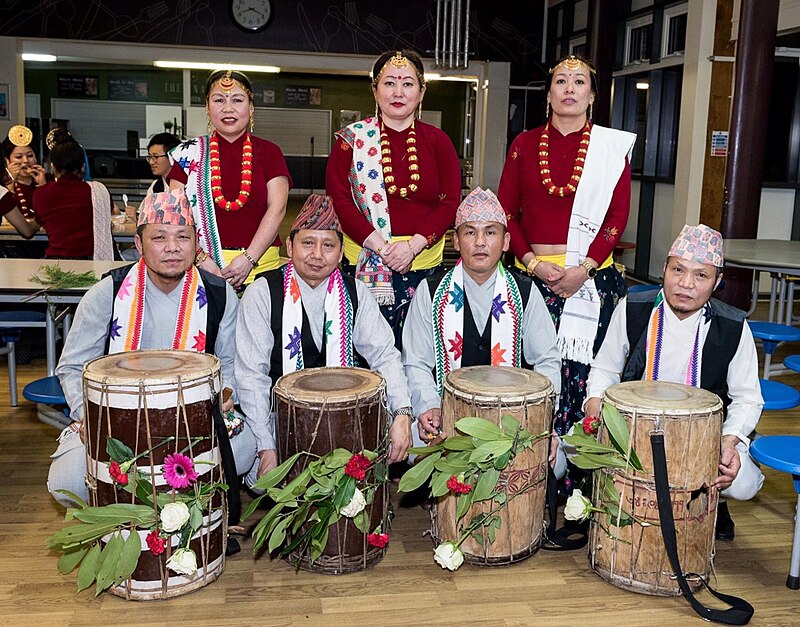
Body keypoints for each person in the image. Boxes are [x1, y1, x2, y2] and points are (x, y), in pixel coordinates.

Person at [47, 189, 257, 507]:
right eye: (159, 237)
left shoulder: (219, 294)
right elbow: (74, 366)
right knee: (68, 480)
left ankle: (179, 517)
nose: (172, 248)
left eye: (183, 237)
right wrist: (88, 414)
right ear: (138, 244)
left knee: (244, 452)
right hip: (115, 418)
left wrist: (225, 394)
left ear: (197, 243)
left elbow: (229, 362)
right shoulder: (108, 293)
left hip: (192, 416)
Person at [584, 224, 764, 541]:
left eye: (701, 275)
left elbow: (747, 399)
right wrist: (596, 406)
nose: (685, 284)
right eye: (678, 270)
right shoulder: (633, 308)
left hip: (701, 435)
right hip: (636, 428)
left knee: (746, 481)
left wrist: (729, 440)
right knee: (574, 449)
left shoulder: (733, 326)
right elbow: (605, 368)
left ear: (717, 282)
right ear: (665, 268)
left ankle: (714, 503)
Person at [498, 54, 636, 442]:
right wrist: (531, 262)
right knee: (533, 374)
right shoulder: (524, 144)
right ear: (549, 94)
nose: (569, 89)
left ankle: (579, 476)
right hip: (532, 279)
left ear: (592, 96)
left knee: (588, 375)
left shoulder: (610, 149)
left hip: (592, 279)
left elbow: (616, 217)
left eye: (579, 82)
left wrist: (586, 268)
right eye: (561, 81)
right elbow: (506, 211)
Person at [235, 194, 414, 479]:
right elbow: (251, 375)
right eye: (308, 243)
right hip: (279, 419)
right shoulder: (262, 293)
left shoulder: (356, 292)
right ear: (289, 246)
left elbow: (384, 355)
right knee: (260, 476)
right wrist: (267, 447)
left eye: (328, 245)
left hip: (343, 416)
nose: (317, 255)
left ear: (342, 253)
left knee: (405, 441)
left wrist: (402, 413)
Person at [402, 187, 563, 470]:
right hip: (446, 414)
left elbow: (547, 361)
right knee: (414, 449)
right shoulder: (430, 291)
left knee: (557, 462)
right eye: (470, 232)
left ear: (505, 242)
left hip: (512, 416)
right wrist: (428, 405)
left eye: (490, 232)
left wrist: (540, 418)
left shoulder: (525, 293)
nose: (480, 242)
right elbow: (415, 361)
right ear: (455, 240)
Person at [326, 49, 462, 348]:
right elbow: (340, 200)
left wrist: (412, 247)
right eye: (389, 83)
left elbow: (450, 201)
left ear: (422, 90)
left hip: (424, 263)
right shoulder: (351, 141)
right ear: (375, 90)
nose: (398, 92)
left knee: (420, 351)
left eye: (408, 83)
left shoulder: (438, 141)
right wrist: (383, 248)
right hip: (365, 262)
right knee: (366, 350)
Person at [170, 70, 291, 289]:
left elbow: (278, 209)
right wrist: (202, 260)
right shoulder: (187, 155)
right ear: (207, 108)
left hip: (261, 269)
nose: (228, 109)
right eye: (218, 100)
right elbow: (177, 216)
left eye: (237, 100)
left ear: (251, 106)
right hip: (201, 269)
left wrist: (248, 259)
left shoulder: (270, 152)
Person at [32, 128, 114, 260]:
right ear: (83, 166)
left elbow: (36, 225)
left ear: (53, 167)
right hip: (93, 261)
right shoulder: (99, 190)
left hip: (56, 262)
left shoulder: (41, 193)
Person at [3, 125, 52, 221]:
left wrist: (44, 186)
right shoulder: (2, 184)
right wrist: (9, 184)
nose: (25, 161)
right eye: (18, 157)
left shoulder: (49, 179)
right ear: (7, 160)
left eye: (30, 156)